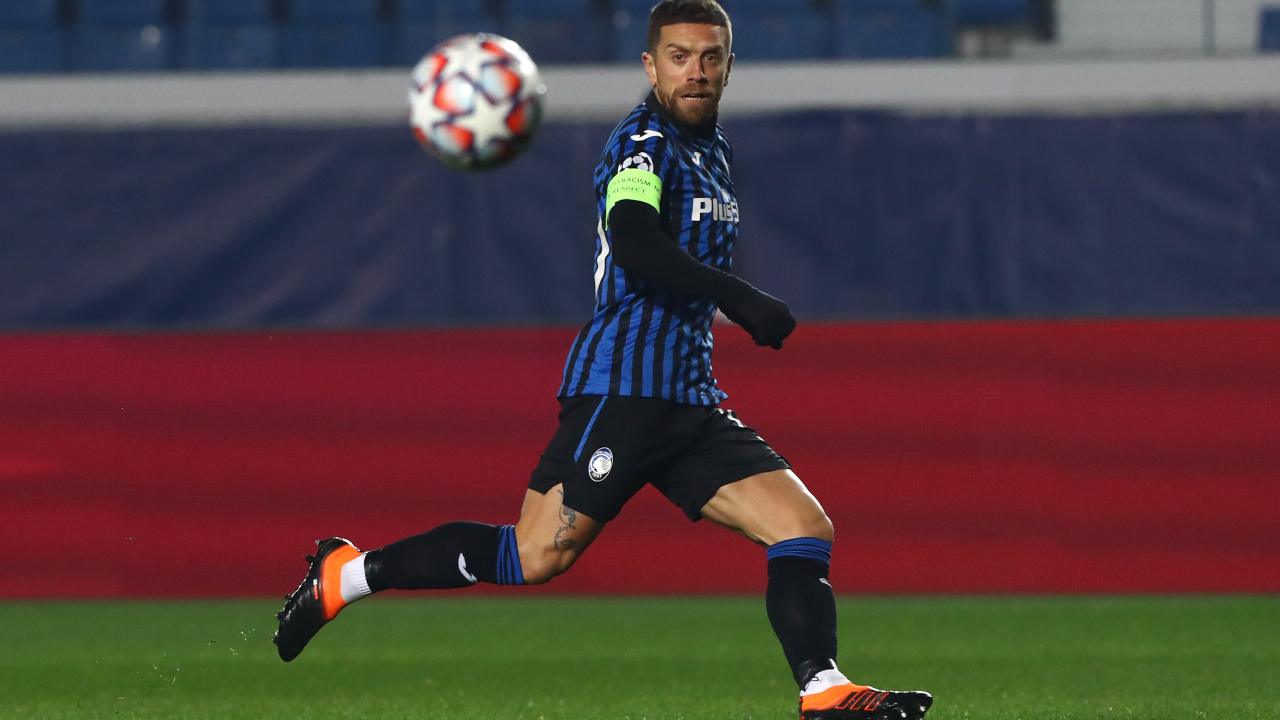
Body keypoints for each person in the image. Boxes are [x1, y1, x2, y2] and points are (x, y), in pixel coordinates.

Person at [274, 2, 932, 718]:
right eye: (680, 56)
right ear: (651, 66)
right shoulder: (642, 144)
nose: (697, 71)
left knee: (802, 527)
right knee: (534, 556)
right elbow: (634, 239)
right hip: (624, 388)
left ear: (729, 68)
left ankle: (823, 690)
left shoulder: (713, 152)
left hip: (689, 397)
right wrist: (739, 298)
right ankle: (348, 575)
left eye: (711, 58)